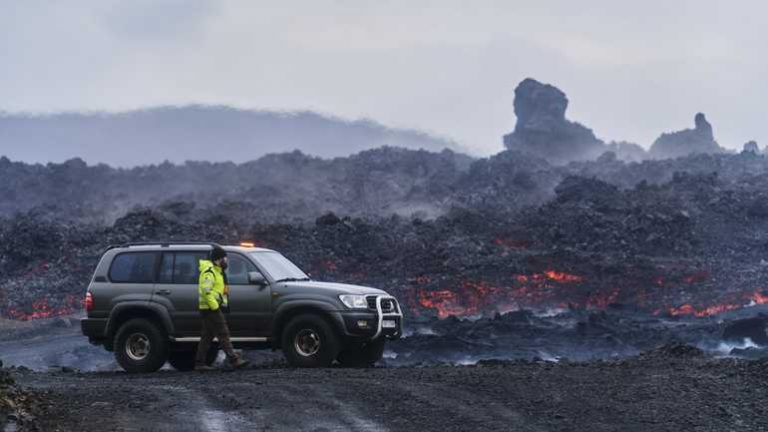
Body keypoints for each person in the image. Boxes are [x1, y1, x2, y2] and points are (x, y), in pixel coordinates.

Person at [195, 245, 250, 371]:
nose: (227, 261)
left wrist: (223, 305)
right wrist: (215, 306)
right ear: (218, 259)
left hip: (211, 307)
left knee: (207, 336)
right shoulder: (209, 272)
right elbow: (206, 291)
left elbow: (220, 291)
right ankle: (234, 360)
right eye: (225, 258)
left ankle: (199, 363)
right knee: (223, 333)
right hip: (210, 308)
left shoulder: (218, 271)